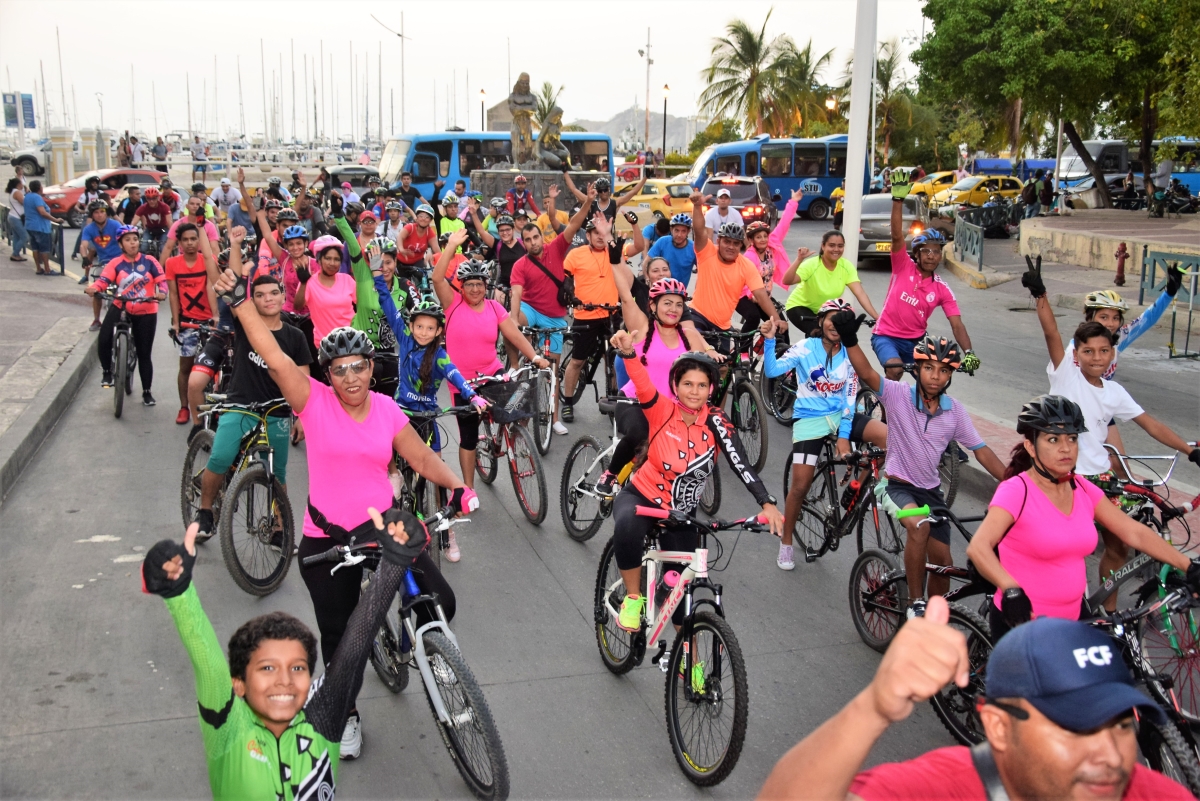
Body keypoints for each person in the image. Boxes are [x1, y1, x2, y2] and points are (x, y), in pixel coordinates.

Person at [213, 257, 478, 760]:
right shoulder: (312, 401)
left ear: (371, 368)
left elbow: (419, 455)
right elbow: (272, 353)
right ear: (327, 373)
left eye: (360, 367)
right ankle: (347, 715)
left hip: (385, 529)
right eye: (340, 369)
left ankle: (423, 647)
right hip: (327, 540)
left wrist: (459, 486)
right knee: (340, 641)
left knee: (439, 599)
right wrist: (241, 303)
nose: (352, 377)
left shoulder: (385, 407)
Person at [757, 597, 1195, 801]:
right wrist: (872, 708)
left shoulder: (1153, 795)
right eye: (1076, 727)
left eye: (1121, 724)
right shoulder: (942, 789)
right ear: (999, 727)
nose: (1112, 756)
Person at [142, 507, 433, 799]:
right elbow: (206, 660)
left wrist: (394, 562)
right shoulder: (228, 726)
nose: (285, 680)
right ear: (238, 685)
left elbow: (353, 651)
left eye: (297, 668)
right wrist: (179, 595)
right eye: (267, 668)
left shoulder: (322, 719)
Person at [1026, 275, 1200, 612]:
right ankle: (1059, 604)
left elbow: (1151, 424)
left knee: (1120, 547)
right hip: (1065, 480)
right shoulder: (1066, 374)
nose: (1096, 357)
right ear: (1077, 353)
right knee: (1065, 550)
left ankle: (1109, 615)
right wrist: (1040, 294)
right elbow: (1051, 332)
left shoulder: (1114, 392)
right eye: (1088, 351)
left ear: (1111, 354)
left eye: (1104, 351)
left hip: (1101, 481)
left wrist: (1190, 451)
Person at [966, 395, 1200, 640]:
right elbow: (979, 547)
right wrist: (1011, 589)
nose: (1066, 448)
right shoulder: (1017, 490)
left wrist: (1189, 566)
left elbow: (1133, 532)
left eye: (1072, 438)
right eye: (1053, 439)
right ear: (1031, 447)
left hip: (1074, 618)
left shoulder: (1082, 488)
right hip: (1023, 622)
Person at [834, 315, 1006, 617]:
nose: (935, 376)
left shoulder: (955, 413)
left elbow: (982, 452)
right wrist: (850, 339)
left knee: (942, 561)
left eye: (943, 370)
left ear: (950, 375)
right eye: (929, 368)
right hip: (897, 484)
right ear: (918, 370)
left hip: (930, 492)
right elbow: (868, 374)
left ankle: (934, 616)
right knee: (919, 527)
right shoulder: (899, 395)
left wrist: (1016, 483)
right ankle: (916, 602)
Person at [608, 341, 783, 630]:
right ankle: (633, 598)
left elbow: (741, 463)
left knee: (681, 597)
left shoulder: (717, 422)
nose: (694, 391)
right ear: (675, 385)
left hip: (682, 514)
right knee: (626, 526)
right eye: (688, 383)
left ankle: (688, 662)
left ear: (711, 389)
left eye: (702, 385)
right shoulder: (660, 409)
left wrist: (767, 503)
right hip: (643, 497)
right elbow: (640, 379)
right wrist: (628, 353)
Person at [762, 300, 889, 569]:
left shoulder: (850, 355)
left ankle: (858, 488)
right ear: (820, 322)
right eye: (831, 318)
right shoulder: (806, 347)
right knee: (800, 485)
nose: (835, 324)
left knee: (889, 438)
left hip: (842, 415)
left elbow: (850, 399)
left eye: (843, 320)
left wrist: (844, 435)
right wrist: (770, 340)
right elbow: (773, 370)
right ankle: (786, 542)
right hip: (810, 418)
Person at [372, 274, 486, 561]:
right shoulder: (405, 339)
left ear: (438, 332)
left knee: (437, 475)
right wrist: (378, 279)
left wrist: (472, 396)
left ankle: (448, 535)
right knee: (385, 442)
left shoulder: (440, 356)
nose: (423, 332)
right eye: (419, 326)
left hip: (428, 417)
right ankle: (394, 475)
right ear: (411, 327)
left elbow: (455, 375)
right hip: (402, 414)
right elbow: (387, 305)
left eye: (430, 328)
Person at [430, 229, 551, 490]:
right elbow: (437, 277)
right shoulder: (452, 305)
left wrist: (535, 356)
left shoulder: (494, 307)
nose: (475, 289)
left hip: (492, 373)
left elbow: (514, 335)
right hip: (462, 382)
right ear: (461, 287)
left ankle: (507, 437)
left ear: (487, 286)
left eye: (480, 284)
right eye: (470, 284)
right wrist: (451, 245)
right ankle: (469, 489)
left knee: (519, 403)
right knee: (469, 437)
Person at [594, 277, 713, 496]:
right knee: (642, 434)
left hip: (670, 409)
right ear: (652, 305)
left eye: (679, 304)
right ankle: (610, 473)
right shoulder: (643, 327)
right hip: (634, 402)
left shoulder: (691, 337)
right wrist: (614, 258)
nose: (674, 309)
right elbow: (627, 299)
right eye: (667, 303)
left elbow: (705, 377)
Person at [871, 170, 980, 381]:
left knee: (931, 381)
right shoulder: (903, 265)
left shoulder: (941, 288)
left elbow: (957, 324)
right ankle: (883, 411)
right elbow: (896, 236)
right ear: (917, 254)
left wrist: (969, 353)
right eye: (926, 251)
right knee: (895, 370)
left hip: (916, 341)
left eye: (936, 251)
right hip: (886, 336)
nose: (931, 256)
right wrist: (897, 200)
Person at [1020, 260, 1190, 382]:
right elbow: (1051, 333)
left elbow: (1147, 319)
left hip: (1101, 410)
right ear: (1090, 318)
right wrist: (1040, 295)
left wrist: (1169, 293)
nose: (1111, 323)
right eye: (1104, 317)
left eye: (1116, 318)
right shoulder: (1076, 348)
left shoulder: (1117, 338)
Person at [509, 195, 593, 434]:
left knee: (554, 373)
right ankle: (516, 363)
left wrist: (587, 202)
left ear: (541, 237)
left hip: (555, 316)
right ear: (523, 243)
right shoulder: (520, 265)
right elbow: (516, 293)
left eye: (535, 237)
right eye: (527, 240)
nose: (533, 242)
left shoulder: (555, 247)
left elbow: (575, 224)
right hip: (531, 310)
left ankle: (554, 418)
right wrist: (514, 319)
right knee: (508, 322)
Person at [686, 188, 786, 356]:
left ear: (741, 245)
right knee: (696, 358)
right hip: (698, 317)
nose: (731, 247)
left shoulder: (746, 265)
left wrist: (777, 319)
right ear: (719, 240)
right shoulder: (707, 252)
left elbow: (761, 295)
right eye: (727, 242)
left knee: (723, 370)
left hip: (723, 326)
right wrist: (697, 207)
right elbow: (699, 230)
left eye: (736, 243)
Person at [85, 224, 168, 404]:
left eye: (135, 239)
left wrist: (162, 292)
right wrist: (94, 288)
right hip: (120, 305)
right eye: (128, 240)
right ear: (121, 244)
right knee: (104, 338)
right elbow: (103, 281)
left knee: (144, 354)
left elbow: (162, 281)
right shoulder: (115, 263)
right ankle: (107, 372)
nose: (133, 243)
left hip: (146, 309)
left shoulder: (150, 261)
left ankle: (147, 392)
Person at [559, 193, 620, 421]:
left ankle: (613, 398)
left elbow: (638, 248)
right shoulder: (576, 254)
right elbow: (563, 278)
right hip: (585, 316)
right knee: (577, 361)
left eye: (602, 233)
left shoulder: (613, 253)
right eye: (595, 233)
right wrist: (569, 292)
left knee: (613, 361)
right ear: (588, 235)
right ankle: (567, 402)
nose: (600, 237)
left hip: (610, 315)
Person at [164, 224, 218, 424]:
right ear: (179, 243)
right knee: (186, 366)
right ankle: (184, 407)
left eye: (193, 239)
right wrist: (176, 323)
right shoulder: (172, 263)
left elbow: (212, 286)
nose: (189, 243)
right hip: (187, 322)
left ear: (199, 241)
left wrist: (215, 316)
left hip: (208, 321)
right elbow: (173, 293)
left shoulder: (208, 261)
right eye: (185, 240)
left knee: (215, 365)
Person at [783, 231, 881, 337]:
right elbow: (787, 281)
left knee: (841, 334)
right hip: (800, 307)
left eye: (840, 246)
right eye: (831, 245)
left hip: (825, 311)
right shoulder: (812, 264)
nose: (836, 249)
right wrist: (799, 260)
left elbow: (860, 294)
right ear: (823, 246)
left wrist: (877, 317)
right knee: (820, 334)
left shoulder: (846, 266)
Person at [293, 234, 357, 382]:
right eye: (328, 258)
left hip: (351, 340)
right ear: (319, 259)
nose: (332, 263)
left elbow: (362, 303)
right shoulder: (310, 282)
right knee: (331, 384)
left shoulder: (347, 280)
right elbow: (298, 306)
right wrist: (303, 283)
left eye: (336, 259)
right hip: (325, 345)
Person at [469, 201, 525, 290]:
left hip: (522, 285)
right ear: (498, 232)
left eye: (508, 229)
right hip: (503, 286)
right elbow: (482, 232)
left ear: (513, 230)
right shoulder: (498, 244)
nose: (505, 233)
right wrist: (474, 214)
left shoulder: (523, 243)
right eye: (501, 231)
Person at [562, 172, 645, 224]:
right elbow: (573, 189)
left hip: (608, 242)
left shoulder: (614, 203)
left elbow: (633, 192)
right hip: (593, 242)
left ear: (609, 189)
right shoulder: (591, 203)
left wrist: (645, 178)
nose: (603, 193)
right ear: (597, 192)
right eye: (600, 191)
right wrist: (565, 172)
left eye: (605, 190)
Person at [646, 212, 698, 288]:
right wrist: (648, 280)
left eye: (683, 231)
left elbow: (703, 272)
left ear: (688, 232)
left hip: (679, 292)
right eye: (676, 230)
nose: (679, 235)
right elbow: (647, 262)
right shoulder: (662, 241)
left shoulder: (693, 248)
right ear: (671, 229)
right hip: (659, 288)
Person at [22, 179, 56, 277]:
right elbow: (42, 212)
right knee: (44, 249)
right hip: (40, 227)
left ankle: (38, 268)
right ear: (39, 188)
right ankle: (47, 269)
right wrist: (55, 219)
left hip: (30, 225)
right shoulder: (37, 197)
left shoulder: (27, 196)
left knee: (35, 248)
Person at [131, 187, 173, 255]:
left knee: (163, 248)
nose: (151, 201)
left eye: (154, 198)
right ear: (146, 198)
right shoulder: (143, 207)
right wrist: (129, 231)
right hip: (150, 230)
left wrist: (173, 235)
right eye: (149, 198)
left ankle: (164, 264)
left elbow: (169, 223)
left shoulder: (164, 207)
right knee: (143, 248)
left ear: (158, 197)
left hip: (163, 230)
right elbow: (133, 222)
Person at [4, 176, 29, 262]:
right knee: (25, 237)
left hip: (12, 216)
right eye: (21, 183)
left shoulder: (13, 191)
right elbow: (24, 202)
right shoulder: (17, 192)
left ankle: (16, 254)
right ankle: (15, 253)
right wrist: (27, 194)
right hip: (16, 217)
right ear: (18, 184)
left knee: (17, 237)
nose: (23, 184)